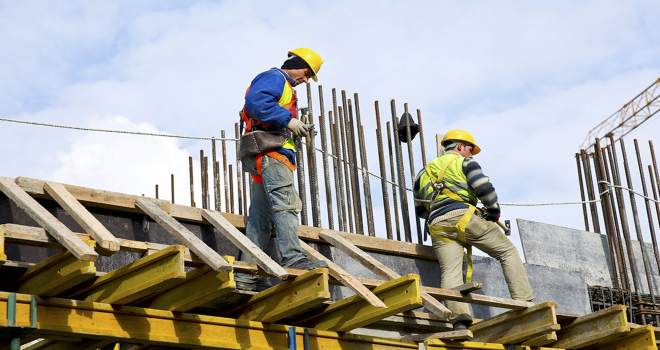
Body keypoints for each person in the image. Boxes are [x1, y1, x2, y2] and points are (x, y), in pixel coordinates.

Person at [413, 130, 533, 331]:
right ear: (459, 146)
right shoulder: (465, 163)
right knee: (507, 252)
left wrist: (442, 212)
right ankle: (525, 302)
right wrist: (494, 212)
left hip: (437, 225)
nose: (471, 155)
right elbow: (484, 189)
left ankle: (459, 321)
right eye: (470, 150)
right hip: (465, 217)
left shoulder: (422, 173)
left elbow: (420, 210)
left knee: (450, 272)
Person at [234, 48, 328, 291]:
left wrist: (292, 125)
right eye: (306, 73)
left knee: (260, 220)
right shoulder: (275, 78)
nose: (305, 80)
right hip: (272, 155)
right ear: (295, 64)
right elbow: (256, 102)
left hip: (264, 156)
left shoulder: (284, 87)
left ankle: (245, 275)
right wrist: (288, 121)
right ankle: (294, 257)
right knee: (286, 204)